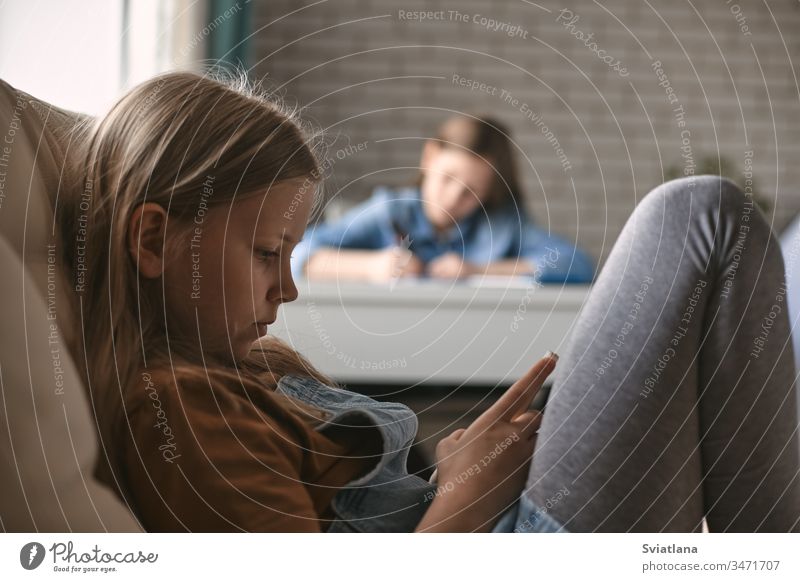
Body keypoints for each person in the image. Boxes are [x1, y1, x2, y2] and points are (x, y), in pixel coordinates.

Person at [57, 72, 799, 532]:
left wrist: (449, 471)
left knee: (703, 244)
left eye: (286, 255)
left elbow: (562, 264)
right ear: (154, 242)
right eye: (264, 255)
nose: (287, 287)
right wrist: (467, 493)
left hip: (474, 512)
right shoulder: (176, 412)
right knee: (701, 218)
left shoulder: (247, 367)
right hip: (492, 539)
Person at [292, 114, 595, 284]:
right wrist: (372, 266)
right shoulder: (390, 210)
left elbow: (577, 264)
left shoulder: (502, 224)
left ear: (488, 193)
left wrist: (475, 269)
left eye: (470, 191)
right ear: (429, 157)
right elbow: (296, 254)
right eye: (447, 179)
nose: (452, 198)